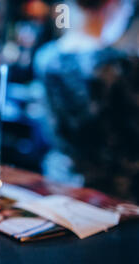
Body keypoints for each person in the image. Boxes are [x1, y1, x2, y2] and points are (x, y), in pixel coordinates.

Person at [34, 0, 139, 202]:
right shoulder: (121, 65)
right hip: (117, 193)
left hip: (59, 182)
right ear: (111, 5)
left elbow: (49, 129)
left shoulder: (45, 58)